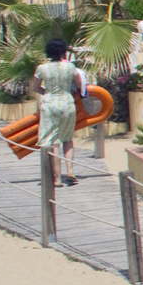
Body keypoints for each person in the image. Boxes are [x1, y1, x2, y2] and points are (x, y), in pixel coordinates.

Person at [35, 38, 83, 186]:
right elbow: (80, 84)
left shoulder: (42, 68)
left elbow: (36, 88)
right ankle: (70, 171)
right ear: (64, 51)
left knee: (53, 141)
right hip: (67, 102)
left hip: (50, 103)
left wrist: (48, 92)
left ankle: (56, 178)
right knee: (67, 138)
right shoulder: (70, 67)